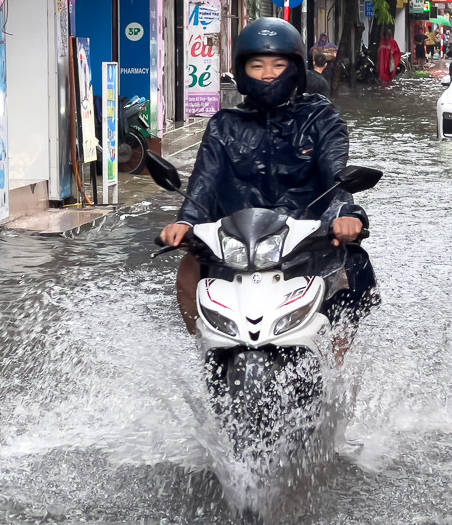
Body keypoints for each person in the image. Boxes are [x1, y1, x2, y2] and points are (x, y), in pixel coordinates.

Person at [159, 18, 377, 345]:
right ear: (242, 71)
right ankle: (205, 350)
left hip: (306, 242)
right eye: (257, 65)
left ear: (296, 68)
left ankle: (335, 367)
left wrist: (347, 215)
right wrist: (186, 223)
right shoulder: (223, 125)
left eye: (278, 64)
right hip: (236, 246)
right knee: (189, 268)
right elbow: (203, 184)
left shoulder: (321, 117)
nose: (268, 73)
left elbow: (337, 177)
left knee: (351, 269)